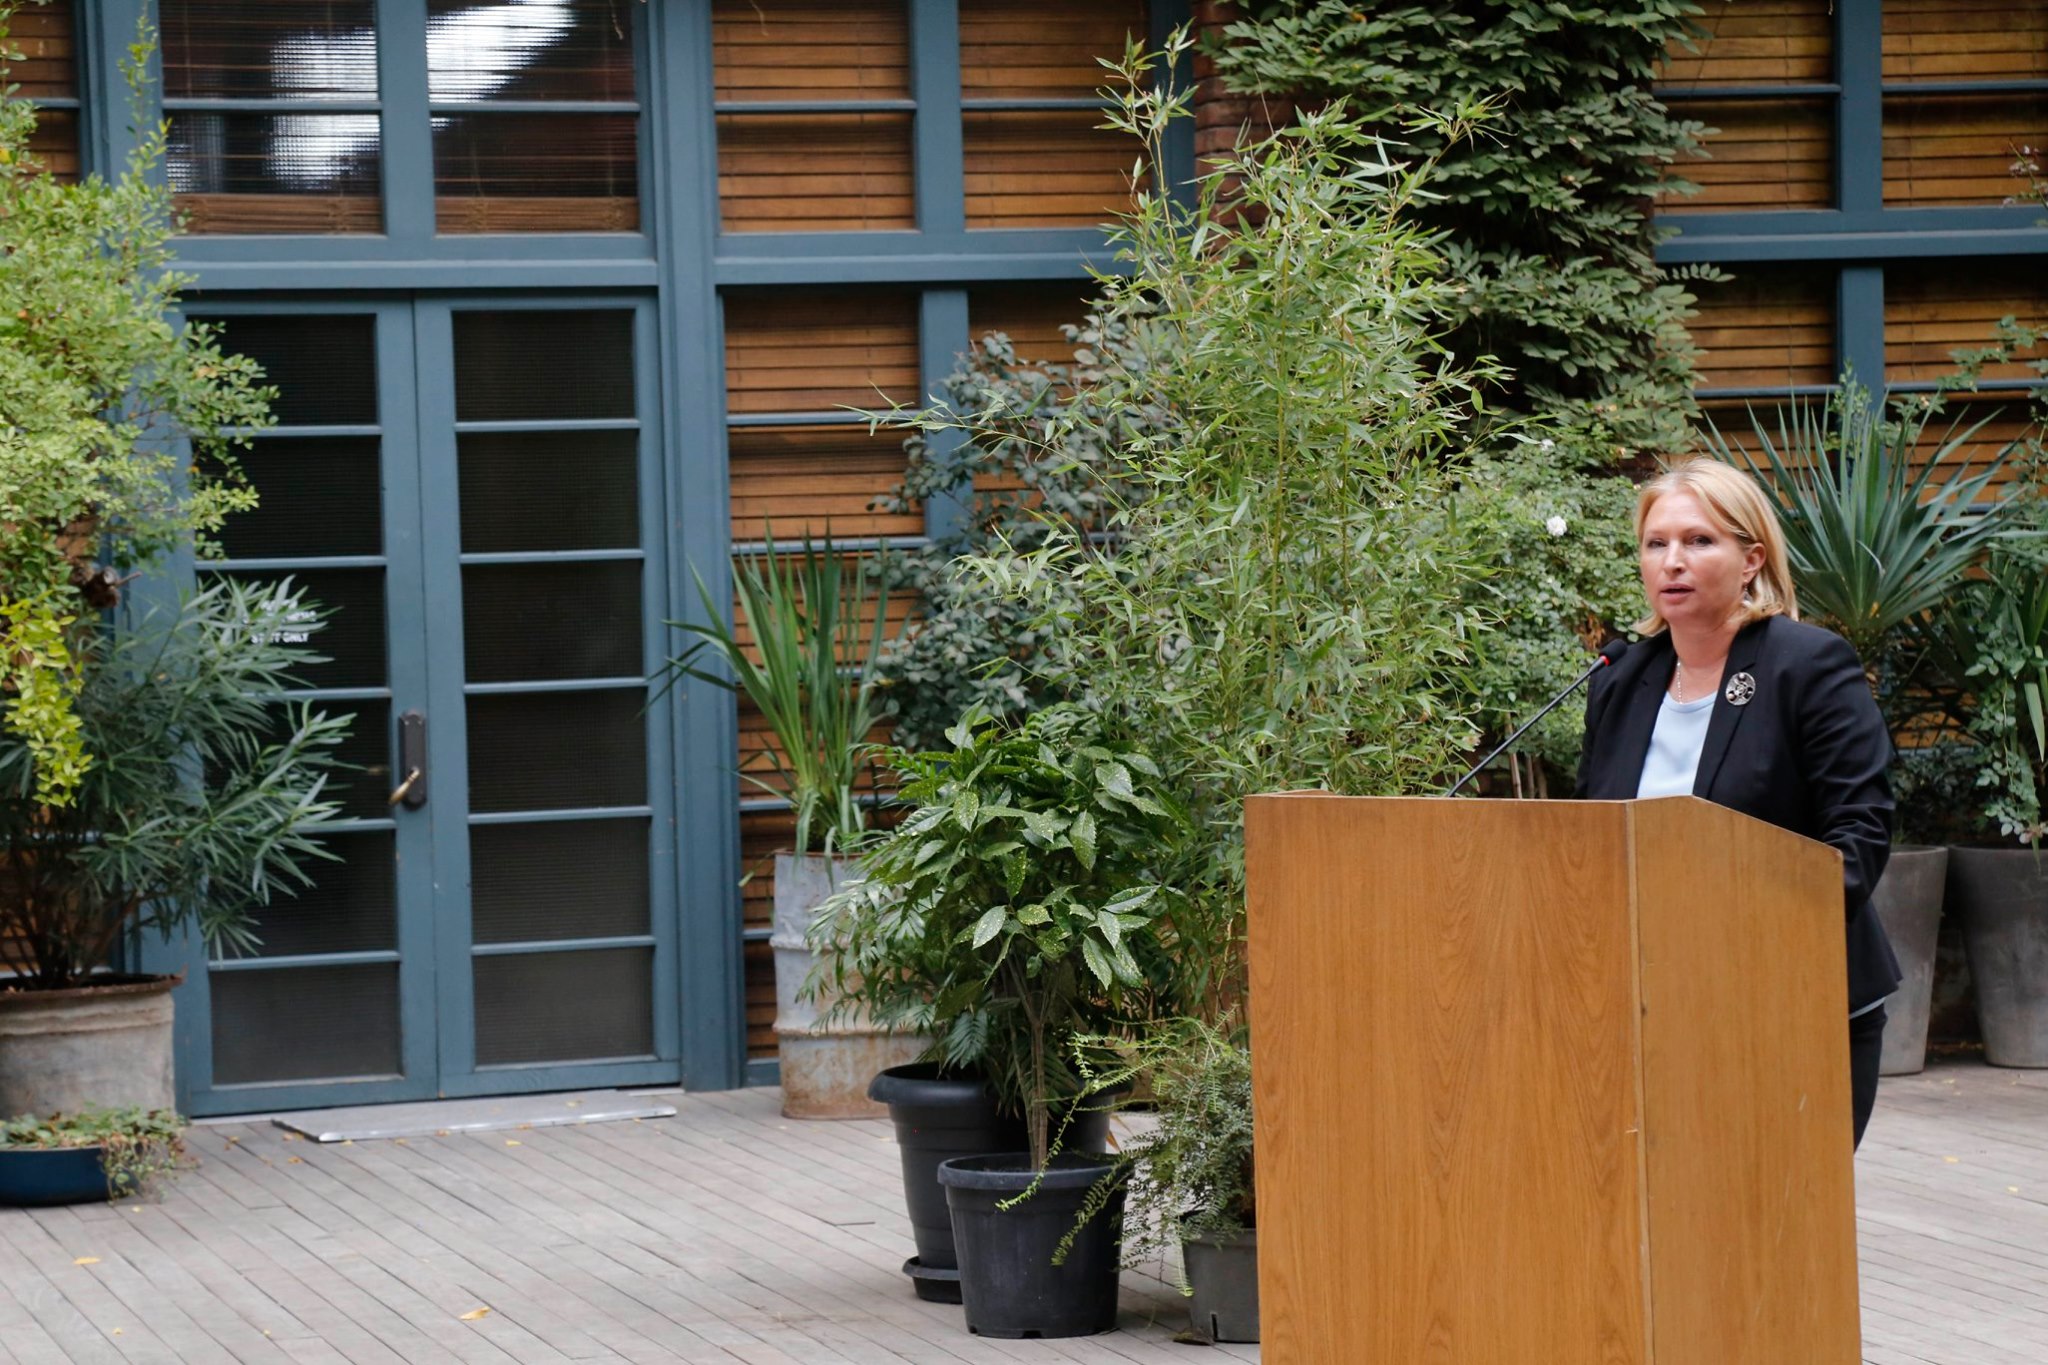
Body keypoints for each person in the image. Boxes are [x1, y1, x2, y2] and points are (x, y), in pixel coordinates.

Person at [1575, 457, 1899, 1149]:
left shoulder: (1806, 666)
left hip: (1790, 997)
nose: (1672, 561)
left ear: (1752, 559)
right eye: (1656, 543)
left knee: (1779, 1205)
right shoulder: (1620, 678)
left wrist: (1734, 932)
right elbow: (1586, 843)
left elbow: (1858, 837)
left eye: (1699, 541)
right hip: (1646, 1004)